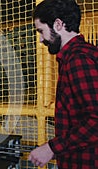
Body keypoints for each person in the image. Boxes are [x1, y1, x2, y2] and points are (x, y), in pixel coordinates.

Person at [28, 0, 98, 168]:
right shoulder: (82, 54)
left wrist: (51, 148)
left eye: (41, 31)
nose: (40, 39)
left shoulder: (78, 60)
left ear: (58, 24)